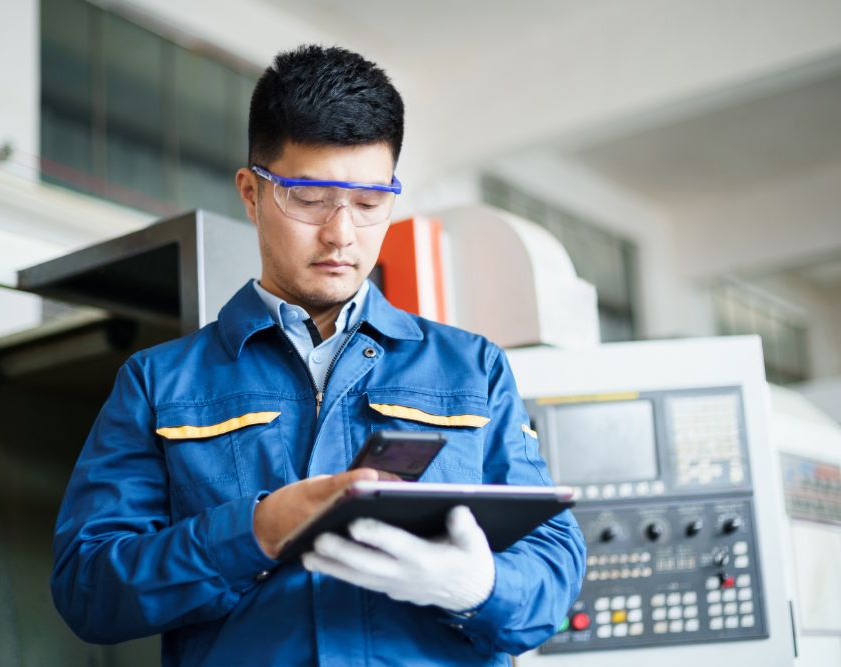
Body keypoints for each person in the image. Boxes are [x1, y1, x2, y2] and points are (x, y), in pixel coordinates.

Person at [51, 44, 585, 666]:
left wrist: (478, 588)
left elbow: (556, 563)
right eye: (308, 199)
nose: (341, 233)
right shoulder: (158, 383)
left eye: (368, 203)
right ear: (251, 193)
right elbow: (88, 588)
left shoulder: (472, 369)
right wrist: (254, 532)